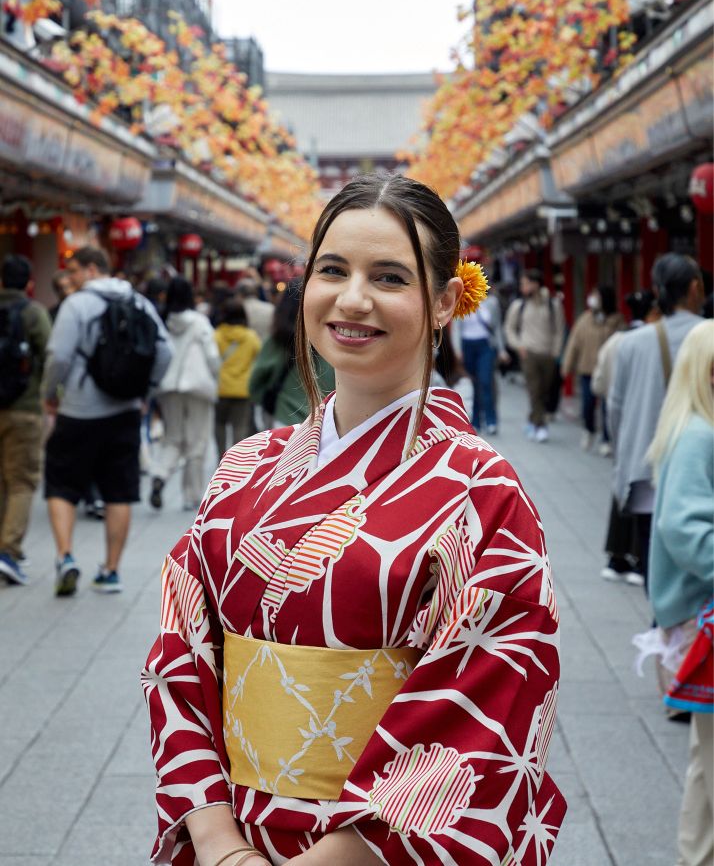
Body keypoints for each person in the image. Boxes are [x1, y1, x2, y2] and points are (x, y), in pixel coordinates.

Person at [142, 173, 565, 866]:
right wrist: (219, 843)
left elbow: (482, 712)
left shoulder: (482, 489)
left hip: (379, 850)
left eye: (390, 277)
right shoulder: (246, 464)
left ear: (445, 302)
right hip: (236, 834)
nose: (353, 299)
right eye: (332, 270)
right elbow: (180, 653)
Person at [42, 245, 172, 596]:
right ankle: (111, 571)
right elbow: (164, 351)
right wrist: (146, 392)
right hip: (126, 411)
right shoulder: (139, 302)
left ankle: (66, 556)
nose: (69, 278)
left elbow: (58, 355)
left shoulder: (77, 305)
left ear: (90, 269)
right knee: (120, 491)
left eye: (72, 271)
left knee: (62, 484)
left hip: (78, 411)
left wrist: (50, 391)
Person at [646, 320, 713, 866]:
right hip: (702, 613)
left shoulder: (688, 428)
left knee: (704, 756)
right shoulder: (700, 435)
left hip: (690, 614)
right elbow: (686, 529)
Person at [608, 253, 703, 588]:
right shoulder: (707, 336)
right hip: (700, 475)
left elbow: (615, 411)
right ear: (694, 288)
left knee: (655, 570)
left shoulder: (631, 342)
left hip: (646, 472)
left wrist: (622, 461)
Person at [593, 290, 657, 584]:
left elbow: (604, 385)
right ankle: (639, 559)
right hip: (652, 425)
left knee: (624, 491)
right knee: (646, 495)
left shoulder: (618, 342)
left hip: (626, 423)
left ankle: (616, 557)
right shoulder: (657, 342)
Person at [0, 255, 52, 586]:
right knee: (21, 481)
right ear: (29, 282)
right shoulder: (34, 313)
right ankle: (8, 550)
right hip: (24, 407)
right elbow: (51, 354)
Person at [150, 276, 221, 512]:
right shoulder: (199, 321)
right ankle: (191, 496)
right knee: (197, 441)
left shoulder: (163, 321)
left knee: (173, 437)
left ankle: (160, 474)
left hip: (169, 388)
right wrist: (216, 377)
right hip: (197, 387)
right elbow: (211, 355)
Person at [248, 280, 335, 429]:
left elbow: (255, 383)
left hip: (285, 419)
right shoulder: (336, 340)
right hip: (328, 425)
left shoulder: (278, 342)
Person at [561, 285, 624, 454]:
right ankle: (589, 429)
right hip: (587, 369)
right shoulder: (585, 319)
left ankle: (606, 439)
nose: (593, 298)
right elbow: (574, 343)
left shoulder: (617, 321)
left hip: (608, 371)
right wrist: (568, 366)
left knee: (606, 408)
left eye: (597, 295)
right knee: (588, 405)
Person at [504, 268, 565, 443]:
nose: (522, 287)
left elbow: (559, 331)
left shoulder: (553, 305)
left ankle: (532, 420)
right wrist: (518, 345)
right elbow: (509, 328)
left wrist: (556, 351)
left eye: (525, 283)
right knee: (534, 390)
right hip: (528, 354)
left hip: (548, 354)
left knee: (544, 391)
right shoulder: (519, 306)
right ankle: (541, 425)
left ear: (535, 284)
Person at [451, 285, 508, 434]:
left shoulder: (492, 303)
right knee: (473, 383)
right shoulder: (461, 301)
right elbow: (457, 328)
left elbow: (497, 328)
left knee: (485, 381)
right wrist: (457, 350)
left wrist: (502, 350)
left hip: (486, 346)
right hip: (467, 345)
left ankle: (491, 420)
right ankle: (475, 421)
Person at [214, 297, 262, 457]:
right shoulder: (251, 336)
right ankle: (234, 464)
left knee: (219, 425)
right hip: (243, 390)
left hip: (220, 389)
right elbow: (258, 358)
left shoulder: (216, 335)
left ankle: (220, 460)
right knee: (239, 428)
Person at [237, 274, 275, 342]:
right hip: (266, 348)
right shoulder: (270, 308)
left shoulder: (238, 310)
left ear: (240, 295)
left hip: (247, 349)